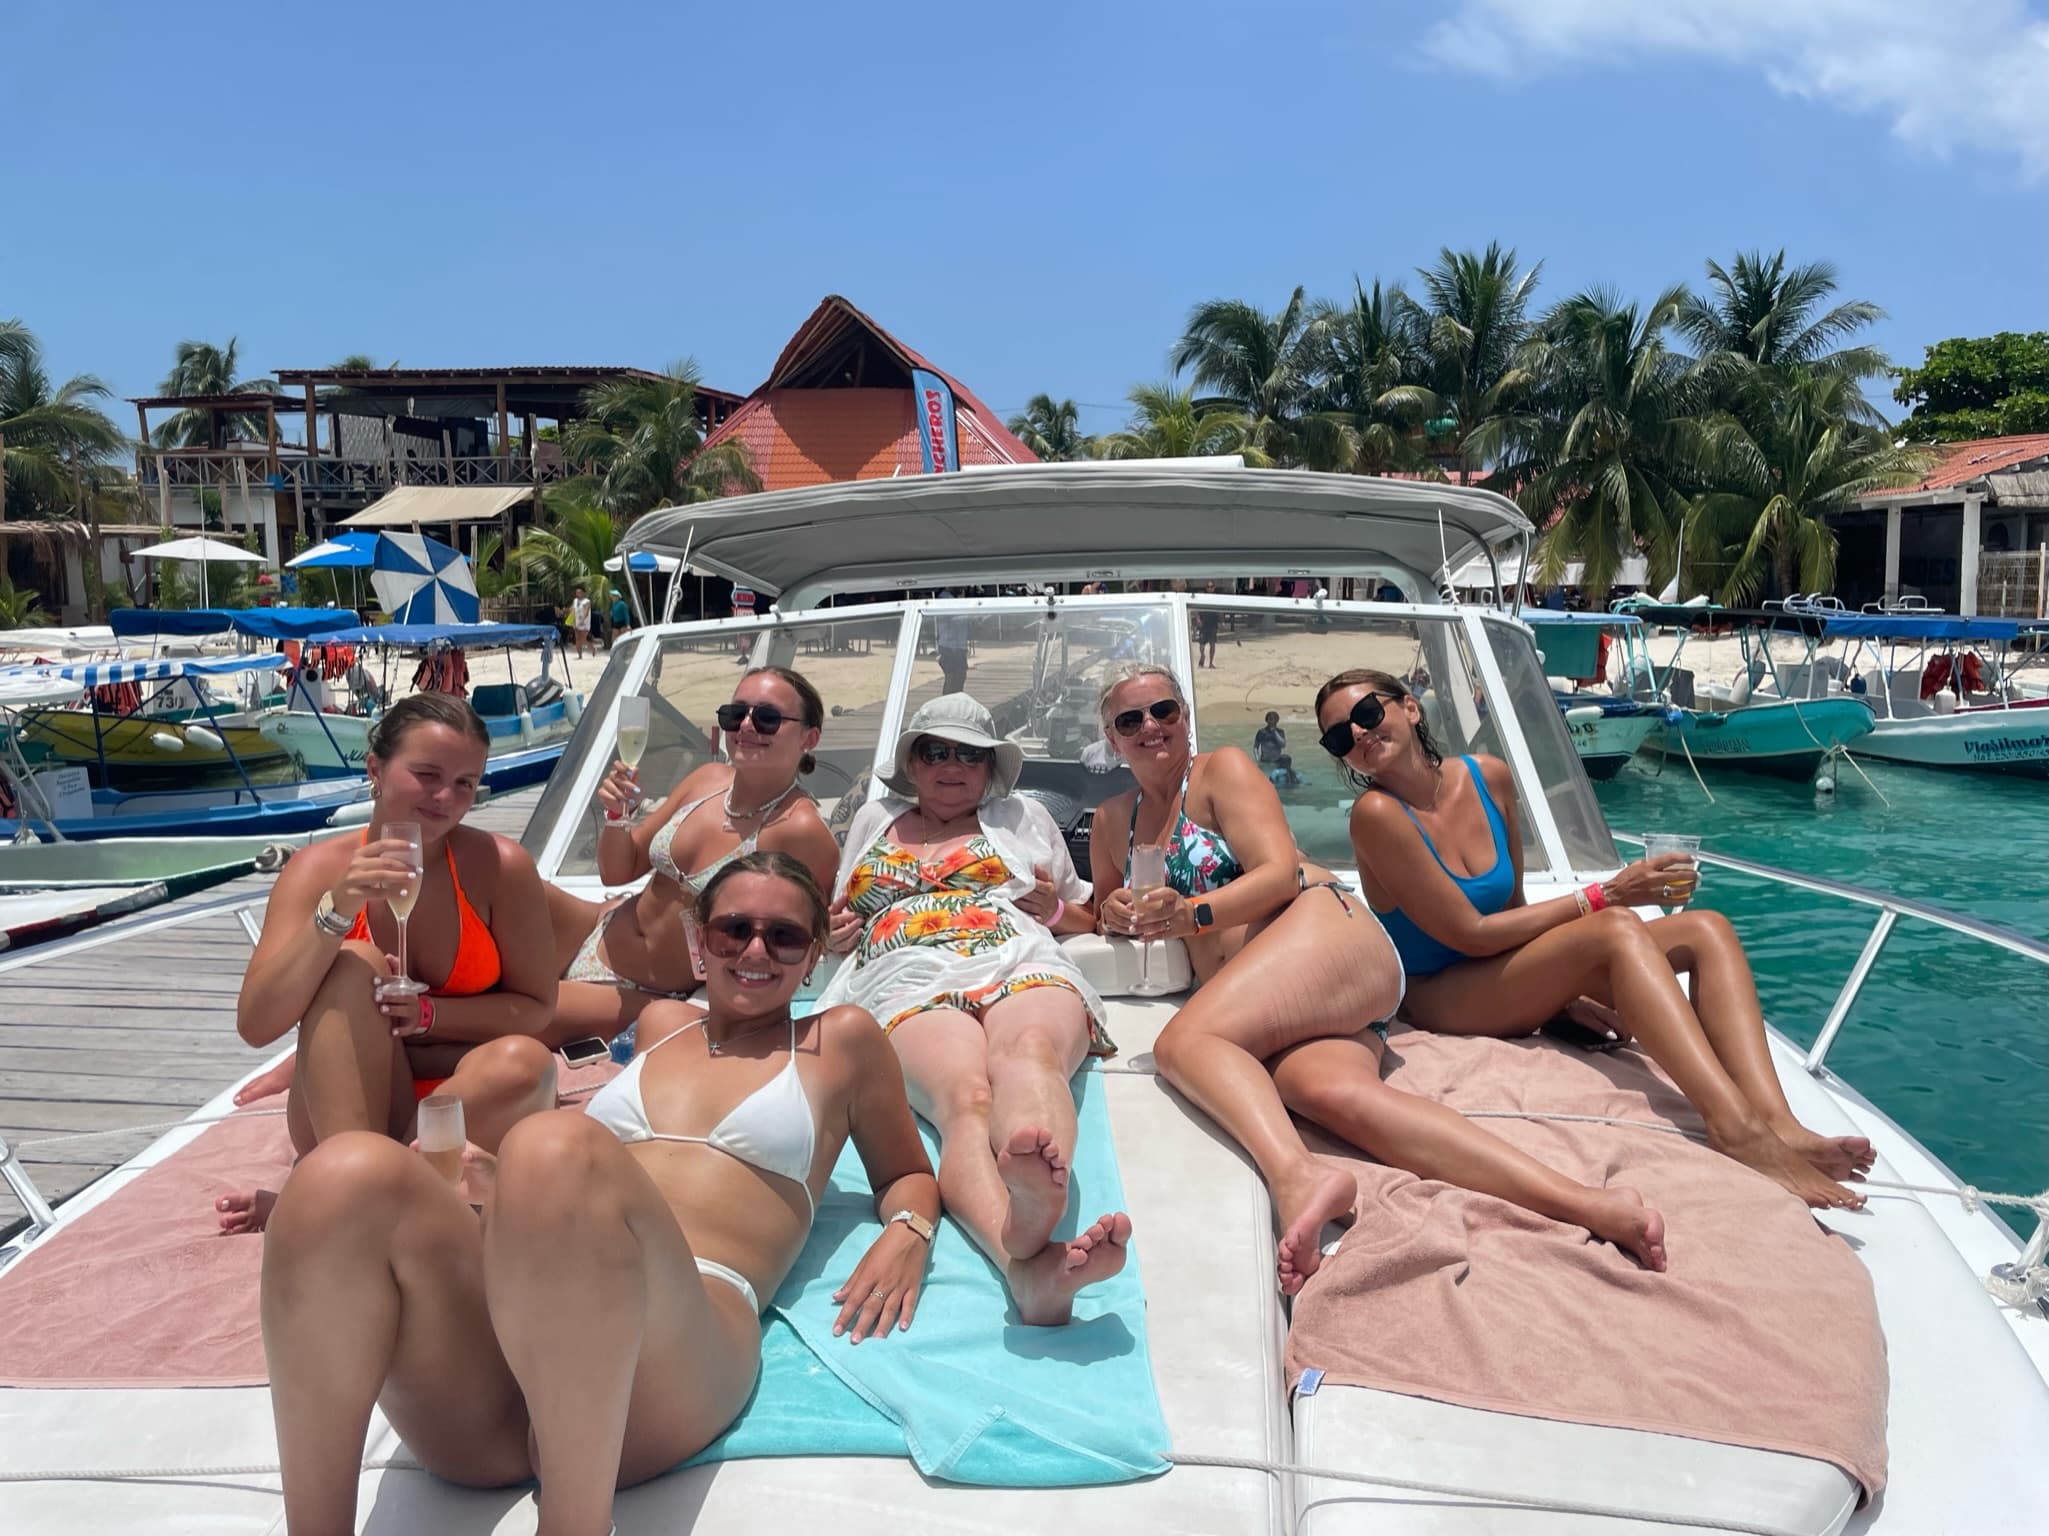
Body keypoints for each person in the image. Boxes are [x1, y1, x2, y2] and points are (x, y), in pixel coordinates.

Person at [258, 852, 940, 1536]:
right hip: (514, 1359)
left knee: (554, 1143)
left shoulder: (838, 1038)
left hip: (678, 1345)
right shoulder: (661, 1025)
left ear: (814, 953)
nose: (755, 950)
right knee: (342, 1172)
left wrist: (909, 1228)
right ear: (698, 941)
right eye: (734, 929)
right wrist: (497, 1186)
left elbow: (903, 1172)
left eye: (784, 936)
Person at [1315, 667, 1874, 1213]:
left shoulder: (1489, 777)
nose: (1360, 735)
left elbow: (1514, 913)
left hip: (1497, 975)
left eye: (1368, 713)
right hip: (1440, 994)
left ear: (1410, 708)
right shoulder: (1377, 815)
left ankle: (1777, 1121)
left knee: (1707, 929)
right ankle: (1736, 1130)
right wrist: (1605, 894)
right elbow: (1472, 933)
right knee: (1614, 928)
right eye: (1340, 735)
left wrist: (1555, 990)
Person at [1088, 664, 1403, 1293]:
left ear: (1183, 717)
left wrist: (1190, 915)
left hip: (1324, 940)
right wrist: (1110, 912)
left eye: (1165, 711)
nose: (1151, 726)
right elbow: (1102, 907)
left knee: (1180, 1045)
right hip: (1272, 1010)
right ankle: (1584, 1203)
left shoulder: (1220, 771)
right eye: (1131, 720)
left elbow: (1279, 873)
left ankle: (1298, 1178)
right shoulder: (1110, 820)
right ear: (1112, 738)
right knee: (1339, 1102)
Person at [821, 693, 1128, 1326]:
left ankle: (1033, 1211)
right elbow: (833, 921)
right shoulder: (874, 817)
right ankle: (1020, 1250)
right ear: (913, 760)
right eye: (936, 751)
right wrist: (833, 934)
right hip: (905, 968)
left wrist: (1051, 909)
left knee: (1032, 1056)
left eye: (970, 754)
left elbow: (1082, 914)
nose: (951, 765)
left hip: (1017, 952)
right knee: (966, 1098)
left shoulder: (1024, 816)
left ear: (990, 768)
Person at [217, 694, 560, 1235]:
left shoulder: (500, 868)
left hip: (465, 1097)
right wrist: (337, 913)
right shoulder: (316, 872)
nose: (446, 797)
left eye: (466, 783)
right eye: (427, 774)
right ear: (375, 768)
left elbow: (538, 1007)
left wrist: (428, 1017)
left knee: (525, 1062)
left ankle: (335, 1201)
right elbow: (257, 1025)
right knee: (354, 962)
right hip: (347, 1102)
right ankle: (356, 1193)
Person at [552, 666, 841, 1038]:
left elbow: (800, 941)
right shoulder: (707, 780)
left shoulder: (801, 831)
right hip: (601, 930)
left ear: (809, 737)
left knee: (524, 1008)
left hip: (649, 991)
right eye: (736, 714)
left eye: (768, 718)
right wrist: (616, 815)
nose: (747, 726)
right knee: (507, 876)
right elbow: (619, 871)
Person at [935, 594, 970, 694]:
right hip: (949, 646)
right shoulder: (944, 598)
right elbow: (942, 618)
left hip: (960, 647)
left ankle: (956, 701)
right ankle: (946, 702)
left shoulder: (961, 599)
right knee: (951, 678)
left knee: (960, 677)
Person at [1193, 580, 1221, 668]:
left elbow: (1220, 610)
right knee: (1201, 644)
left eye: (1211, 586)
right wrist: (1198, 619)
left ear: (1214, 588)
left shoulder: (1217, 598)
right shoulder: (1202, 597)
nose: (1210, 588)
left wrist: (1222, 621)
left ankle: (1211, 662)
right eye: (1208, 587)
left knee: (1212, 644)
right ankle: (1202, 656)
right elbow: (1197, 609)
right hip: (1203, 623)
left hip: (1213, 622)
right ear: (1206, 588)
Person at [569, 585, 592, 660]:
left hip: (584, 622)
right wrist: (572, 619)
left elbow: (586, 611)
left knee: (583, 639)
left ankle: (592, 648)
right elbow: (572, 609)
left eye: (579, 592)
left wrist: (582, 620)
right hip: (576, 621)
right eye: (577, 593)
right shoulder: (575, 600)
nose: (578, 594)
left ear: (583, 593)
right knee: (577, 639)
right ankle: (580, 654)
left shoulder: (587, 601)